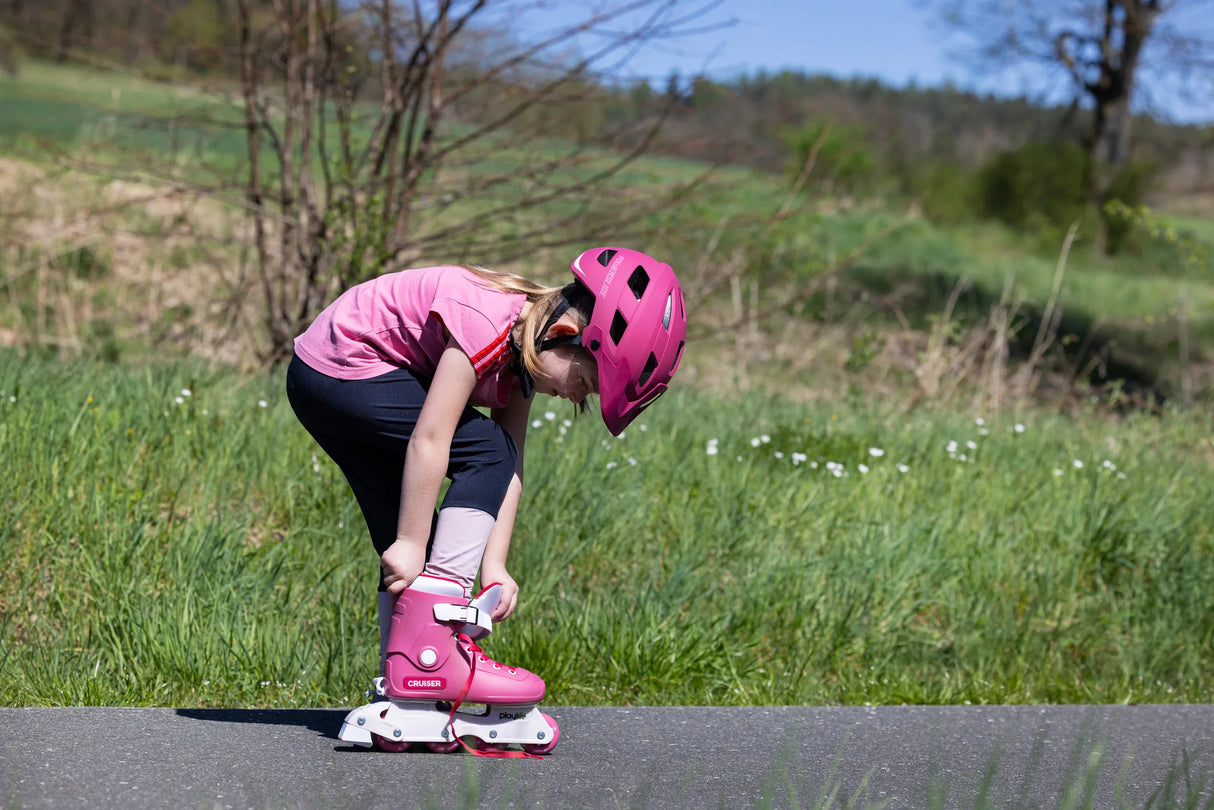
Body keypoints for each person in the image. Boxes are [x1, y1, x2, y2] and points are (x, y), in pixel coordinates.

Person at [285, 247, 687, 685]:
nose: (577, 397)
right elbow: (431, 440)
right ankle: (435, 655)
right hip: (345, 367)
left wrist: (495, 564)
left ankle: (404, 679)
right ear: (567, 333)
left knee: (416, 560)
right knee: (471, 468)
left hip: (322, 377)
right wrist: (410, 539)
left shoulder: (529, 351)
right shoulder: (488, 321)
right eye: (585, 382)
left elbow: (509, 471)